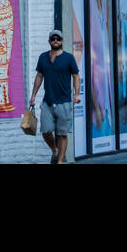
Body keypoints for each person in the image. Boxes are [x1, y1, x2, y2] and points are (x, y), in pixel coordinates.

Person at [30, 28, 80, 164]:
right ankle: (54, 150)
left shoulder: (69, 58)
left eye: (58, 39)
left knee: (62, 133)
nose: (55, 41)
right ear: (49, 41)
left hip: (64, 101)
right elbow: (39, 76)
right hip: (48, 101)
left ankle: (60, 161)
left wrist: (76, 94)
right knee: (45, 130)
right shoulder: (43, 57)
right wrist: (33, 96)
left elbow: (76, 76)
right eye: (53, 39)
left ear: (62, 41)